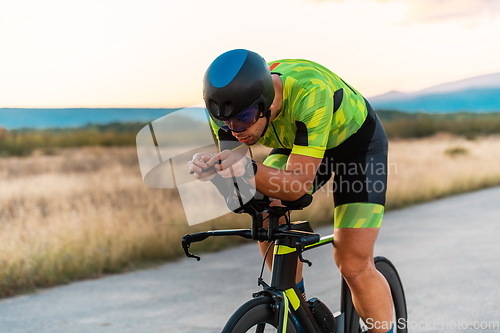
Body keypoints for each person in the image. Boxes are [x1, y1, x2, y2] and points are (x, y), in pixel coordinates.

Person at [188, 49, 393, 333]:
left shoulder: (310, 92)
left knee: (353, 262)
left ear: (266, 104)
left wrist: (247, 169)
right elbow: (241, 182)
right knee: (264, 204)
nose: (235, 130)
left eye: (245, 118)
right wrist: (214, 171)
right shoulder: (228, 109)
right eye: (225, 121)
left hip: (356, 148)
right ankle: (297, 305)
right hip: (296, 143)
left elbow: (297, 188)